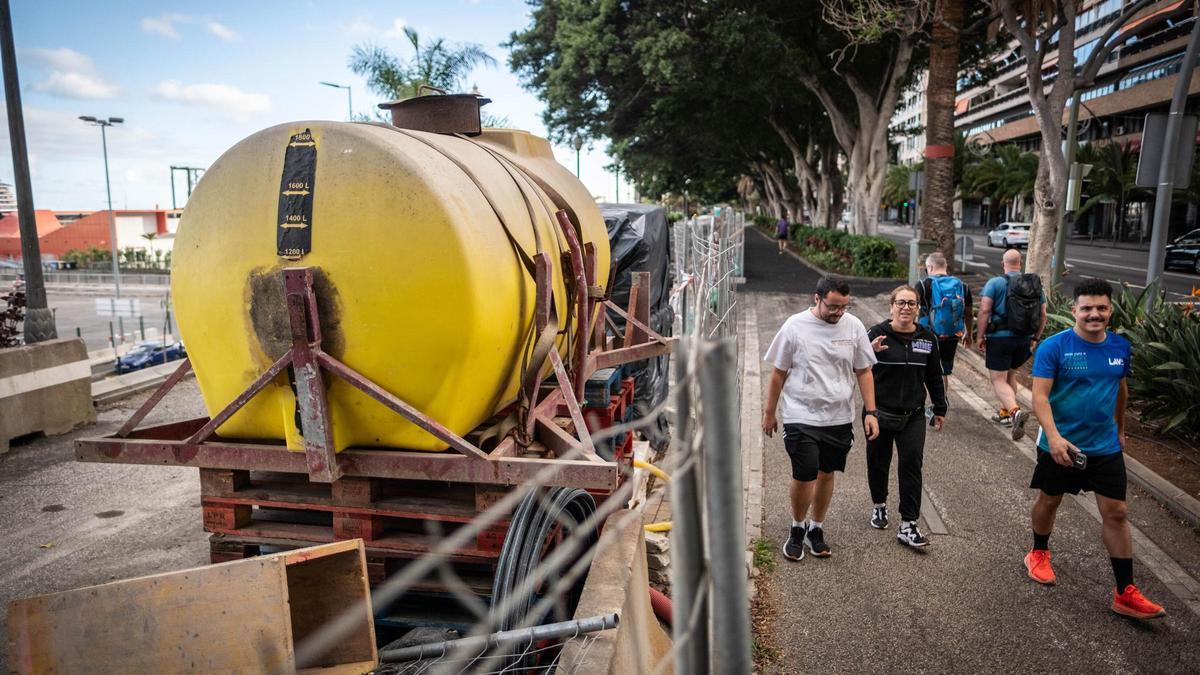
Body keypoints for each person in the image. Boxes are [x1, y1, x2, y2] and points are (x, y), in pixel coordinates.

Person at [1024, 278, 1165, 619]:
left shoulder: (1119, 347)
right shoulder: (1054, 347)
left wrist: (1120, 428)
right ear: (1074, 310)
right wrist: (1054, 437)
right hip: (1062, 443)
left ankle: (1125, 592)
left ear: (1110, 310)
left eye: (1101, 307)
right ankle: (1038, 552)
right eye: (1086, 308)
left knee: (1116, 512)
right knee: (1050, 499)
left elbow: (1120, 390)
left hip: (1105, 446)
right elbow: (1039, 396)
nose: (1094, 314)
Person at [763, 275, 880, 561]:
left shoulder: (853, 327)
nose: (839, 313)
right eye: (833, 307)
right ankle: (797, 527)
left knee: (827, 472)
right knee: (804, 474)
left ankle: (816, 528)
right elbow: (779, 372)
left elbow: (863, 370)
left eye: (844, 307)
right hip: (800, 414)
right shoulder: (794, 326)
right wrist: (769, 413)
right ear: (817, 298)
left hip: (838, 416)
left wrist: (871, 412)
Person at [866, 285, 948, 547]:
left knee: (911, 465)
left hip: (913, 415)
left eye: (911, 304)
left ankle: (908, 524)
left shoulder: (927, 338)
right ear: (891, 306)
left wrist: (940, 408)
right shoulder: (876, 334)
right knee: (879, 462)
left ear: (918, 308)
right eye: (901, 303)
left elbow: (935, 376)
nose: (906, 308)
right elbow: (856, 367)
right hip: (878, 413)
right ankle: (879, 504)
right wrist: (869, 352)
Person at [975, 248, 1046, 440]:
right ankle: (1005, 414)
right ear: (1020, 263)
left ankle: (1015, 412)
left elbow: (984, 311)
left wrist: (980, 336)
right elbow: (1043, 314)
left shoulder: (995, 283)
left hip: (999, 338)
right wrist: (1035, 338)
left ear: (1002, 263)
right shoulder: (1034, 284)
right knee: (1010, 374)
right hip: (1024, 339)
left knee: (998, 380)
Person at [916, 252, 973, 393]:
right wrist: (969, 333)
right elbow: (969, 313)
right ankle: (939, 406)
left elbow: (911, 308)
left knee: (920, 368)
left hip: (925, 334)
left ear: (929, 267)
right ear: (946, 266)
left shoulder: (923, 285)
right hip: (951, 335)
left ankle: (920, 405)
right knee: (943, 371)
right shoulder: (962, 286)